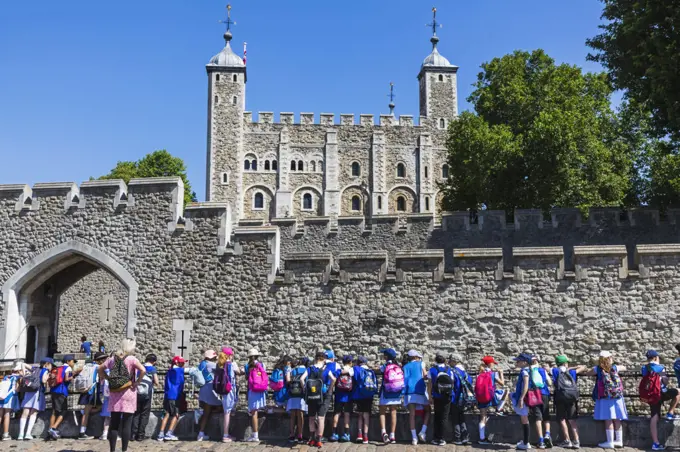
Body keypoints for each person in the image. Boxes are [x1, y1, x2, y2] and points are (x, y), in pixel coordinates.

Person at [99, 338, 146, 452]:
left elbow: (100, 368)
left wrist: (108, 378)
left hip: (115, 393)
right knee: (126, 423)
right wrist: (137, 382)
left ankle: (112, 450)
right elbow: (143, 370)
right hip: (128, 392)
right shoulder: (132, 359)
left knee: (114, 423)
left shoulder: (111, 359)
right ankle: (124, 450)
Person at [584, 350, 627, 449]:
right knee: (617, 419)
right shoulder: (615, 368)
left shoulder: (598, 369)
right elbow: (624, 367)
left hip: (605, 397)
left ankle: (610, 442)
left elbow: (588, 374)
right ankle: (619, 441)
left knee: (608, 419)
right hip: (617, 397)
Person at [641, 349, 680, 450]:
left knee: (654, 417)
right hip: (661, 393)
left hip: (650, 395)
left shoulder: (644, 368)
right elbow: (665, 381)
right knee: (678, 392)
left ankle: (655, 443)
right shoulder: (660, 368)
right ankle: (670, 413)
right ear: (655, 357)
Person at [551, 355, 586, 449]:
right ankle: (576, 441)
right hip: (571, 397)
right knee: (572, 420)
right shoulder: (572, 372)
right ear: (566, 363)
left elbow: (546, 369)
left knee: (562, 419)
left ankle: (567, 440)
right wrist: (571, 367)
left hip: (560, 396)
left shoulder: (555, 371)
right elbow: (583, 367)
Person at [306, 350, 336, 447]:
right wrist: (330, 389)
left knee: (311, 417)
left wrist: (305, 389)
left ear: (315, 359)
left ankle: (311, 438)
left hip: (311, 395)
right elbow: (333, 379)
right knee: (321, 418)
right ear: (324, 360)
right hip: (323, 395)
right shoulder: (326, 369)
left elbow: (302, 379)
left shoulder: (310, 368)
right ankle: (319, 439)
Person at [17, 358, 52, 441]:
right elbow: (43, 381)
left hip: (29, 391)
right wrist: (47, 377)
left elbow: (23, 364)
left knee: (25, 412)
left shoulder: (35, 369)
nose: (51, 366)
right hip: (38, 392)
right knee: (33, 413)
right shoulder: (45, 370)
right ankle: (28, 434)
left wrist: (24, 374)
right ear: (47, 364)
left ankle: (20, 434)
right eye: (50, 364)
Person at [77, 352, 108, 439]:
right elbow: (104, 378)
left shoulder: (87, 366)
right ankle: (82, 432)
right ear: (101, 360)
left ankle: (82, 430)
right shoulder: (99, 368)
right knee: (96, 409)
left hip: (86, 391)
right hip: (93, 391)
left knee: (90, 410)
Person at [476, 355, 505, 445]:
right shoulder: (493, 373)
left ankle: (482, 439)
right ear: (490, 364)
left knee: (482, 417)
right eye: (493, 363)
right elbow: (502, 383)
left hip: (481, 397)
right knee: (506, 392)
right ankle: (499, 408)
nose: (494, 365)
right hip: (490, 397)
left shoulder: (480, 373)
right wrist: (501, 373)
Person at [48, 354, 77, 440]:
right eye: (72, 361)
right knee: (64, 411)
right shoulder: (67, 368)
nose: (73, 363)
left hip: (54, 391)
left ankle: (50, 430)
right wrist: (73, 375)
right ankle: (53, 428)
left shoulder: (58, 367)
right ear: (68, 361)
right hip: (61, 392)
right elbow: (66, 379)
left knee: (54, 411)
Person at [403, 349, 429, 445]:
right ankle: (422, 431)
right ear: (416, 357)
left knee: (412, 415)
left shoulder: (405, 366)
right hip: (419, 390)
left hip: (409, 392)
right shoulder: (421, 364)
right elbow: (425, 375)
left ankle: (414, 438)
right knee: (428, 410)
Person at [158, 355, 186, 441]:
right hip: (175, 396)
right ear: (177, 362)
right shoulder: (179, 370)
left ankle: (161, 434)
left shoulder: (169, 371)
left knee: (166, 414)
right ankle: (169, 433)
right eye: (182, 362)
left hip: (167, 395)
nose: (183, 364)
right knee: (176, 414)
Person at [131, 353, 158, 441]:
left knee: (136, 413)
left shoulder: (139, 367)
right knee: (144, 414)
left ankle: (133, 434)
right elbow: (157, 382)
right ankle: (140, 435)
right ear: (153, 361)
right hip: (147, 394)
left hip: (137, 392)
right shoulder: (152, 369)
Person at [378, 348, 403, 444]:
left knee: (382, 411)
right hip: (396, 392)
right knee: (393, 412)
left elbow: (381, 371)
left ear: (386, 356)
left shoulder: (384, 366)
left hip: (386, 392)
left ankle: (384, 432)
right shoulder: (398, 365)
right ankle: (392, 435)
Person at [429, 353, 453, 446]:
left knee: (437, 416)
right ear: (445, 361)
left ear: (435, 361)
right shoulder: (449, 370)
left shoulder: (432, 370)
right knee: (445, 417)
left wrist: (430, 396)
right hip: (447, 396)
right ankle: (442, 439)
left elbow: (430, 384)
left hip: (437, 396)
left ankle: (436, 438)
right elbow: (452, 382)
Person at [244, 348, 268, 443]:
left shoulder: (247, 366)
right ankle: (255, 434)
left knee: (253, 412)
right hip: (261, 390)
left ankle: (255, 435)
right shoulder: (262, 365)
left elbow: (247, 377)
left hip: (252, 390)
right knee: (256, 411)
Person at [197, 350, 220, 441]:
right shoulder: (211, 365)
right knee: (220, 407)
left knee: (207, 412)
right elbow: (221, 368)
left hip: (203, 389)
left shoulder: (202, 364)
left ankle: (201, 433)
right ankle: (201, 431)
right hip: (210, 389)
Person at [529, 354, 552, 448]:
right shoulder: (542, 370)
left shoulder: (529, 370)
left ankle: (541, 441)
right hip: (544, 393)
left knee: (538, 417)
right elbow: (549, 382)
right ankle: (547, 434)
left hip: (534, 394)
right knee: (546, 416)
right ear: (538, 361)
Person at [511, 353, 533, 450]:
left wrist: (521, 398)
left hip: (523, 398)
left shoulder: (525, 372)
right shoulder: (527, 370)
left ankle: (526, 443)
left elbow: (526, 386)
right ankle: (525, 441)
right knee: (524, 419)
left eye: (518, 361)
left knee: (524, 420)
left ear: (524, 362)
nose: (517, 362)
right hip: (523, 397)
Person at [330, 354, 354, 442]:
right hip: (348, 396)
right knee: (347, 414)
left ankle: (334, 433)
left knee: (337, 413)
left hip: (338, 396)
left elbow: (333, 377)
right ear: (350, 362)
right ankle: (346, 434)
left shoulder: (339, 370)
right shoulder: (352, 371)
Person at [449, 355, 471, 445]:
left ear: (454, 361)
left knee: (455, 418)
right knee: (461, 417)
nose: (449, 362)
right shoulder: (465, 373)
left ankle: (457, 438)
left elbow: (452, 386)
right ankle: (465, 437)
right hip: (464, 399)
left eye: (450, 361)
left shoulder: (453, 371)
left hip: (455, 398)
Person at [353, 356, 375, 444]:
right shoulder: (371, 371)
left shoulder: (356, 369)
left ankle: (359, 435)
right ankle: (366, 436)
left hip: (359, 395)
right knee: (366, 416)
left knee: (360, 415)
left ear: (358, 362)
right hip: (369, 395)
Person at [286, 357, 308, 443]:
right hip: (301, 395)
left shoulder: (293, 369)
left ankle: (291, 435)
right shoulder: (306, 370)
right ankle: (300, 435)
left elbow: (288, 380)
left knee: (292, 415)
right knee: (300, 415)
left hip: (292, 395)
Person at [218, 348, 238, 442]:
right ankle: (225, 435)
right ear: (230, 355)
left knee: (227, 411)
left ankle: (226, 434)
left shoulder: (220, 364)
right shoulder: (231, 364)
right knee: (227, 412)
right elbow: (238, 372)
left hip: (223, 390)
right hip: (229, 390)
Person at [0, 364, 23, 440]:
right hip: (10, 398)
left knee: (0, 415)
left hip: (2, 397)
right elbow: (17, 390)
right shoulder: (17, 378)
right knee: (7, 415)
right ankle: (5, 434)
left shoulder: (7, 377)